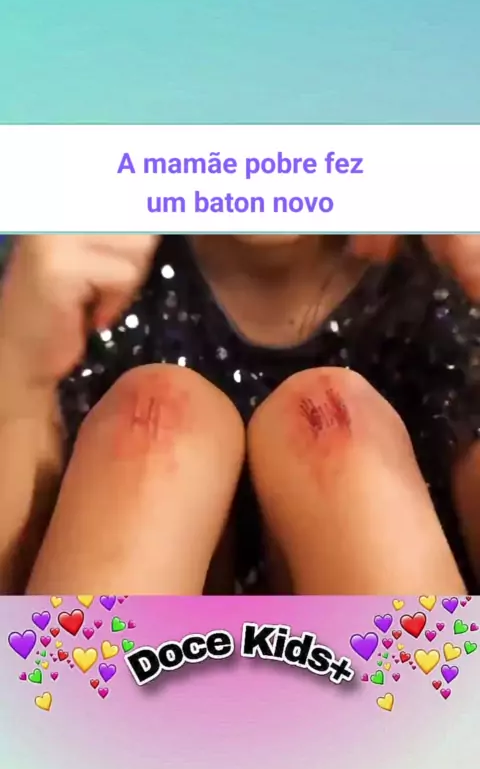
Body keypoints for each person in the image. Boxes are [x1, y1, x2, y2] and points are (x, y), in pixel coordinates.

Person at [0, 234, 479, 596]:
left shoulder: (445, 291)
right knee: (152, 426)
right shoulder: (54, 283)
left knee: (339, 435)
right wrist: (16, 365)